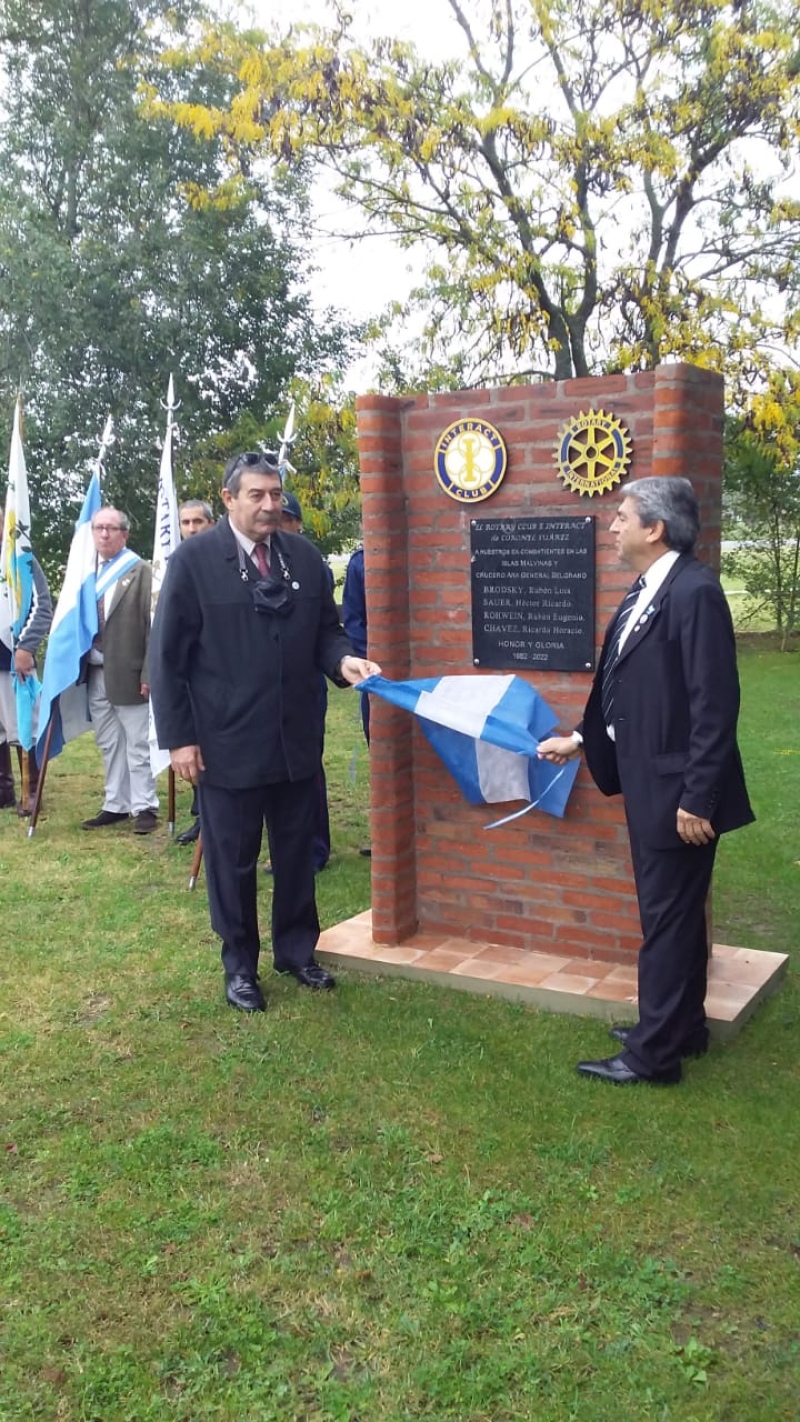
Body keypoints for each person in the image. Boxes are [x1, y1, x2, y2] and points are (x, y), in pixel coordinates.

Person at [538, 477, 754, 1087]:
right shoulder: (648, 589)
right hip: (651, 784)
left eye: (621, 516)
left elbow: (715, 703)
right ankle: (681, 1027)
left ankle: (652, 1056)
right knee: (675, 917)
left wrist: (697, 796)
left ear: (654, 528)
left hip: (678, 793)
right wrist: (580, 739)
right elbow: (626, 687)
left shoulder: (694, 592)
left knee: (664, 921)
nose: (612, 526)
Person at [149, 450, 381, 1013]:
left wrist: (343, 662)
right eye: (256, 495)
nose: (270, 505)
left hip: (296, 737)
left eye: (275, 494)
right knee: (233, 861)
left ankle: (298, 952)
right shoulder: (195, 562)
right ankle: (241, 967)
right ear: (229, 498)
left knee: (298, 852)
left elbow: (327, 631)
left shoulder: (302, 557)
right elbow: (167, 659)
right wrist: (180, 740)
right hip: (227, 743)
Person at [81, 507, 159, 834]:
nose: (104, 534)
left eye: (111, 528)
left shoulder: (141, 571)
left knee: (138, 744)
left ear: (124, 534)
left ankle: (144, 806)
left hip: (129, 672)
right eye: (99, 528)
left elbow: (153, 627)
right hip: (95, 673)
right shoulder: (85, 572)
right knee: (109, 743)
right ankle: (116, 802)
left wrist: (148, 674)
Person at [279, 488, 332, 872]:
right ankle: (286, 846)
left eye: (284, 519)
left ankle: (314, 847)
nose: (275, 524)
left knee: (307, 767)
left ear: (296, 524)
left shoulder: (310, 565)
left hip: (305, 687)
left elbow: (324, 629)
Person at [174, 499, 215, 845]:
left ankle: (209, 818)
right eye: (185, 522)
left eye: (197, 521)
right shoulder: (178, 564)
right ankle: (200, 815)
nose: (191, 529)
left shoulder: (216, 564)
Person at [0, 555, 52, 815]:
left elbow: (42, 607)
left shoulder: (21, 557)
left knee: (23, 726)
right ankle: (3, 789)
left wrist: (26, 646)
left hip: (12, 658)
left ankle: (30, 791)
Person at [342, 542, 372, 856]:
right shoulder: (360, 563)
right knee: (379, 752)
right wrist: (372, 658)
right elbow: (353, 620)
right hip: (376, 677)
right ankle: (386, 832)